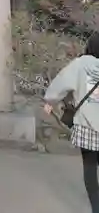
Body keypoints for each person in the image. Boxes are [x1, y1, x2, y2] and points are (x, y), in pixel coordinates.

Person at [44, 32, 99, 213]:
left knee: (90, 169)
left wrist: (50, 100)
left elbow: (60, 84)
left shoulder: (80, 65)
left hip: (87, 127)